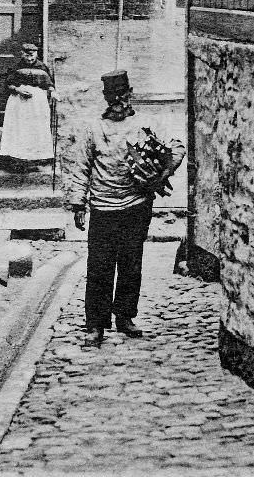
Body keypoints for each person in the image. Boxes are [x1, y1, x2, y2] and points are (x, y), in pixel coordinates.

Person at [66, 69, 185, 346]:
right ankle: (95, 325)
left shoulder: (146, 124)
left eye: (122, 94)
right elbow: (81, 167)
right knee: (99, 266)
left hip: (136, 204)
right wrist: (78, 204)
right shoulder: (93, 129)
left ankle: (125, 316)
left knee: (131, 263)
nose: (118, 101)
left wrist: (163, 173)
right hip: (103, 206)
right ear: (105, 97)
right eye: (112, 96)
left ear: (130, 94)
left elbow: (176, 147)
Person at [0, 43, 58, 171]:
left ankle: (37, 159)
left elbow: (49, 84)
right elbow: (8, 84)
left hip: (37, 104)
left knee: (36, 128)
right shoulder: (16, 67)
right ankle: (17, 159)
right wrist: (18, 90)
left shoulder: (42, 67)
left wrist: (53, 92)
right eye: (27, 55)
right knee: (19, 129)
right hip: (19, 102)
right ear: (22, 54)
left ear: (36, 54)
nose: (30, 58)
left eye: (32, 55)